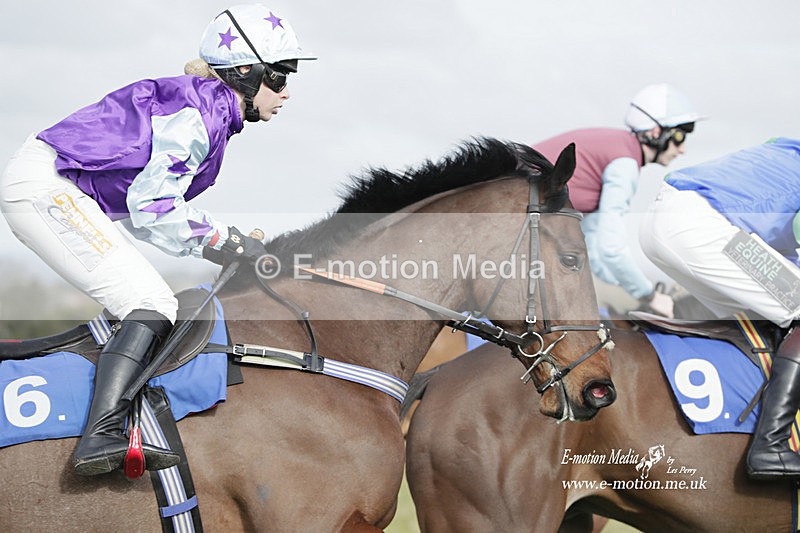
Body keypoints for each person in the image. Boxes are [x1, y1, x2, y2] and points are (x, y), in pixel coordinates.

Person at [0, 4, 315, 476]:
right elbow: (152, 207)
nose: (286, 92)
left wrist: (217, 243)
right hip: (48, 187)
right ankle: (101, 435)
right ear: (245, 72)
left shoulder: (206, 107)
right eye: (279, 76)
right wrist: (225, 242)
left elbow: (146, 206)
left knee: (142, 301)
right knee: (151, 302)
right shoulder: (199, 114)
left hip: (56, 187)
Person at [639, 137, 800, 479]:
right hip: (701, 226)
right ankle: (770, 447)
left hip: (664, 221)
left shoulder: (787, 150)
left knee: (768, 317)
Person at [533, 83, 705, 319]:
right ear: (655, 133)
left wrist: (641, 289)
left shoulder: (616, 151)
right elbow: (611, 249)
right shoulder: (625, 163)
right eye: (679, 137)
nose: (682, 149)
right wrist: (651, 297)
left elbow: (594, 251)